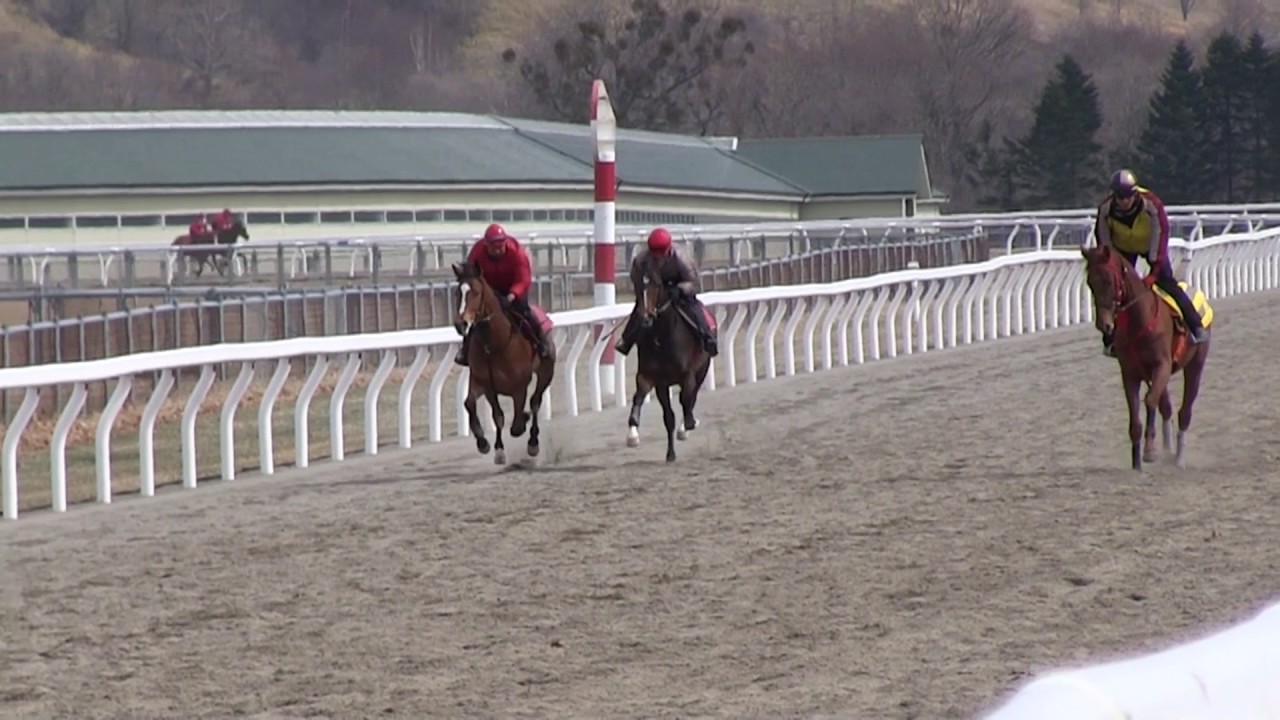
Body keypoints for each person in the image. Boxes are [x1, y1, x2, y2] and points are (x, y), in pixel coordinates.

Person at [1094, 169, 1207, 356]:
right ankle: (1110, 340)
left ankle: (1195, 325)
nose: (1123, 201)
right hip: (1122, 249)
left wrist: (1154, 273)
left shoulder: (1152, 204)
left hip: (1150, 246)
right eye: (1119, 197)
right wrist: (1111, 265)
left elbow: (1161, 236)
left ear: (1135, 193)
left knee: (1168, 283)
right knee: (1114, 292)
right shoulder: (1105, 210)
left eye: (1127, 196)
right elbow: (1104, 243)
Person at [454, 222, 551, 365]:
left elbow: (523, 279)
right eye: (494, 247)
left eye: (501, 246)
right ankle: (465, 349)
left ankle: (542, 342)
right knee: (476, 316)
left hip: (514, 288)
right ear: (487, 245)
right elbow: (471, 274)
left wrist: (511, 296)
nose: (498, 250)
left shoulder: (516, 252)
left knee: (525, 311)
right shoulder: (477, 252)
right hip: (490, 289)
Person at [614, 227, 718, 357]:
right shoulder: (641, 260)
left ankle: (708, 337)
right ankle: (626, 340)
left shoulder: (681, 258)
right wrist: (642, 299)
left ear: (668, 249)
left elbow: (694, 282)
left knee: (693, 308)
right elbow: (636, 280)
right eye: (654, 254)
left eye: (661, 254)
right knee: (640, 311)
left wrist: (679, 289)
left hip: (679, 287)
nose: (657, 257)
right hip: (655, 288)